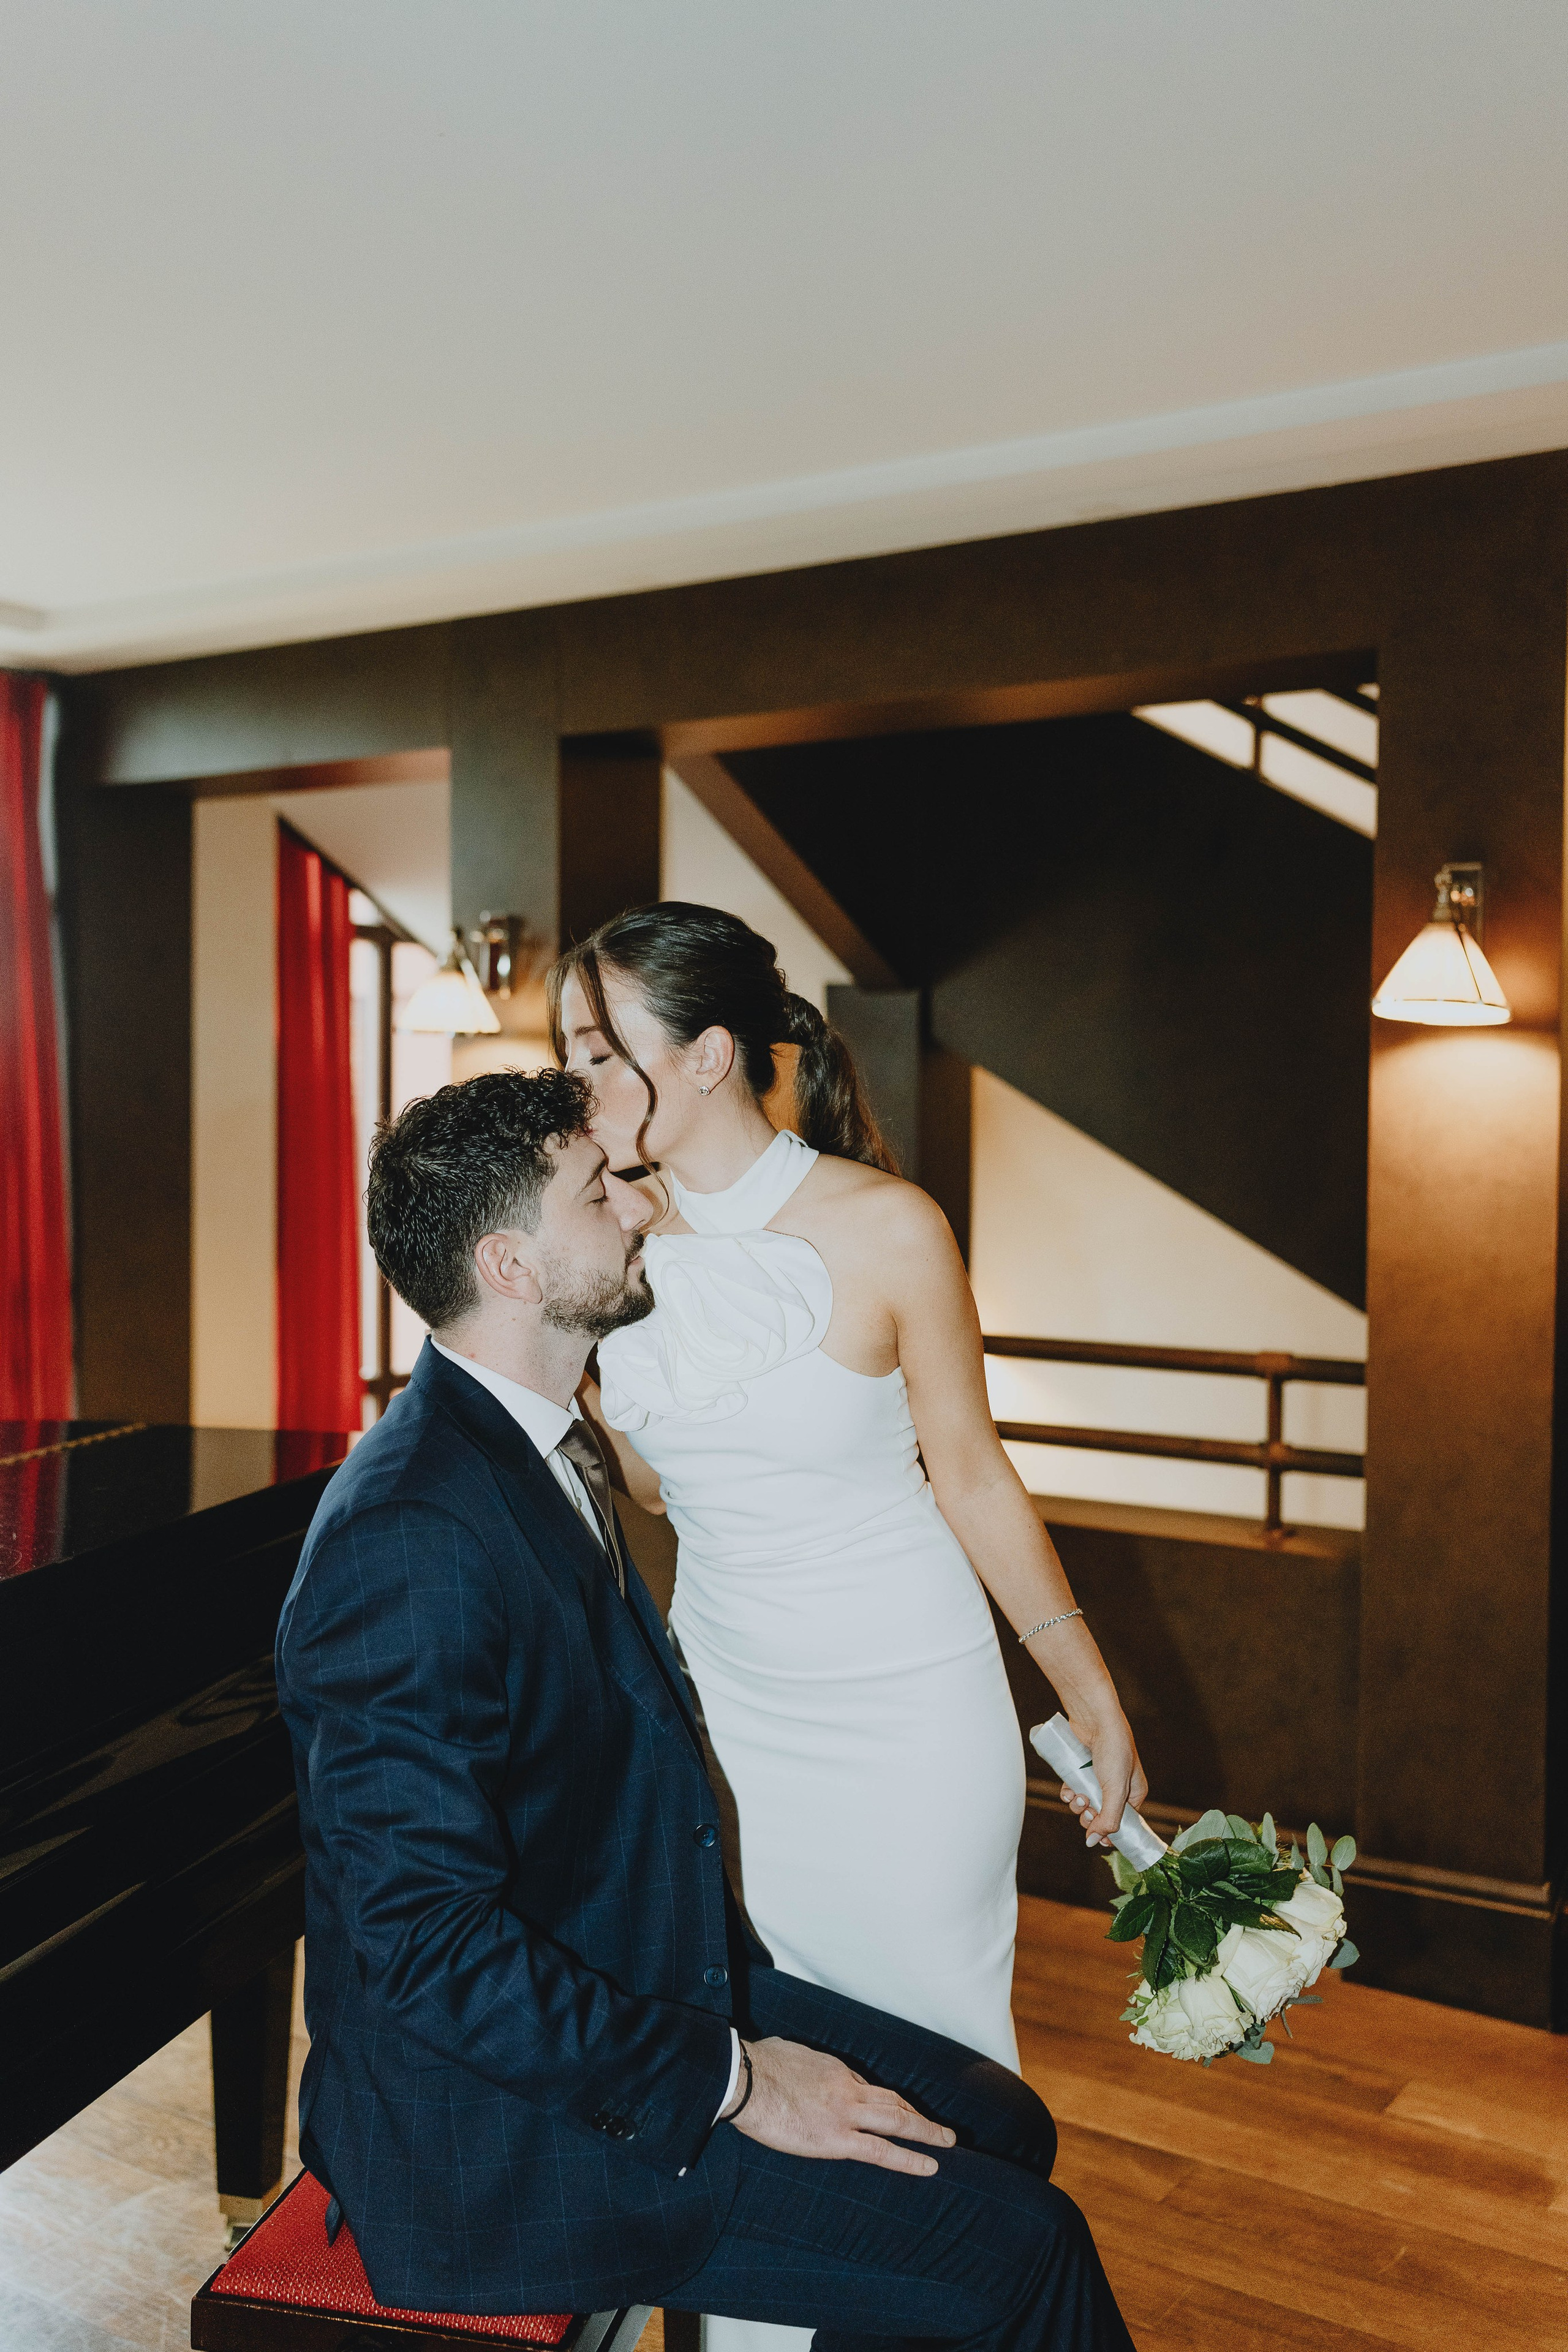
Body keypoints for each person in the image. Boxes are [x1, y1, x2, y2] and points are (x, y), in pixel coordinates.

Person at [275, 1068, 1137, 2348]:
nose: (640, 1204)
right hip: (499, 2137)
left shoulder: (539, 1437)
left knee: (998, 2122)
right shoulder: (409, 1536)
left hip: (617, 1981)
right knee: (1022, 2246)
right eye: (599, 1187)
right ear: (511, 1266)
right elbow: (425, 1952)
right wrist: (732, 2078)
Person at [550, 904, 1145, 2084]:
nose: (572, 1082)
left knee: (938, 2051)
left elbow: (973, 1476)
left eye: (598, 1052)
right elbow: (664, 1495)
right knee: (781, 2048)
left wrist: (1088, 1690)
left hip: (907, 1701)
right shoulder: (612, 1249)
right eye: (568, 1053)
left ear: (708, 1056)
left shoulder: (889, 1228)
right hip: (731, 1711)